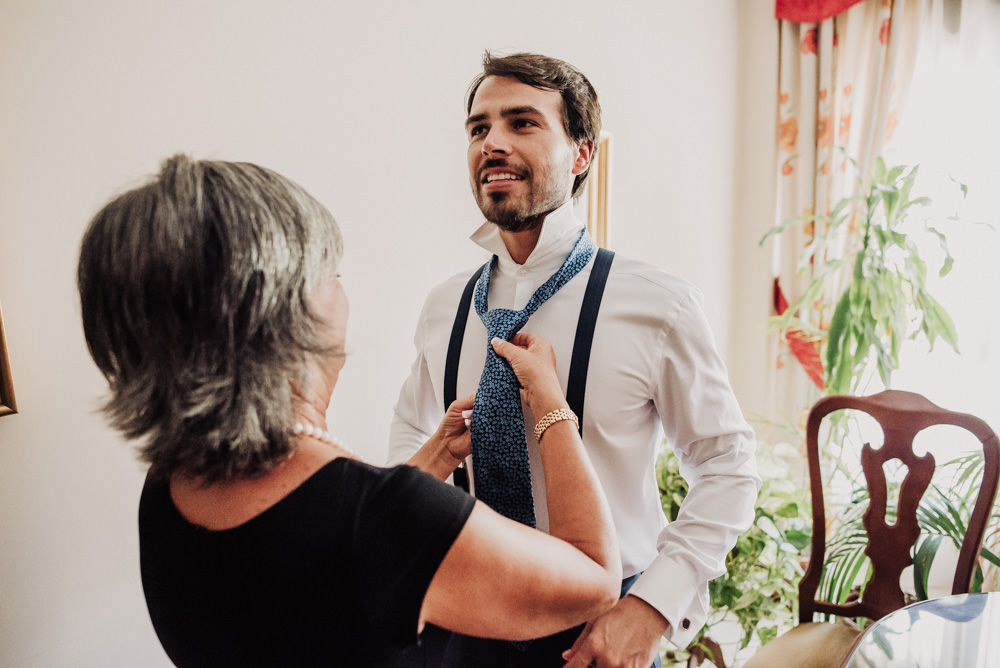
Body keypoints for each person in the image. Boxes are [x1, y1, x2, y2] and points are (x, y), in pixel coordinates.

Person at [77, 154, 623, 667]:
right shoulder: (389, 520)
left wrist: (434, 456)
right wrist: (550, 405)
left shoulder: (168, 483)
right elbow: (596, 579)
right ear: (285, 311)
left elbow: (329, 558)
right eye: (331, 273)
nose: (343, 292)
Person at [387, 52, 762, 668]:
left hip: (600, 631)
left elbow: (728, 465)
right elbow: (411, 430)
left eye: (522, 123)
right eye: (479, 128)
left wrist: (653, 608)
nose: (492, 142)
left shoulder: (658, 304)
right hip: (463, 624)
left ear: (582, 154)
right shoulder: (443, 306)